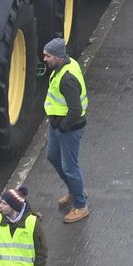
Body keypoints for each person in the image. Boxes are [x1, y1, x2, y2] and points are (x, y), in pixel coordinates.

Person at [42, 38, 88, 223]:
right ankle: (75, 189)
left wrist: (63, 127)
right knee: (52, 156)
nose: (44, 59)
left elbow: (76, 110)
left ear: (60, 57)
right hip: (58, 126)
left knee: (70, 167)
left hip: (68, 129)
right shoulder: (64, 66)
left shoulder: (67, 79)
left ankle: (80, 204)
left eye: (48, 56)